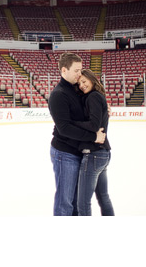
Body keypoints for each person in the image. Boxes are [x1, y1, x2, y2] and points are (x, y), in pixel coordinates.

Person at [48, 53, 103, 216]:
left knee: (76, 202)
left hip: (78, 152)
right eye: (77, 70)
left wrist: (103, 109)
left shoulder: (75, 89)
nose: (80, 74)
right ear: (64, 70)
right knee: (65, 202)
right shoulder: (58, 95)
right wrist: (93, 137)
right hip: (64, 153)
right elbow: (65, 128)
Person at [74, 69, 114, 216]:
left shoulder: (93, 97)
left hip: (93, 154)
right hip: (102, 154)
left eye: (84, 81)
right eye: (79, 83)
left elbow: (94, 125)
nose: (82, 85)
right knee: (103, 197)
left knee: (83, 202)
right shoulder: (95, 96)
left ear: (92, 79)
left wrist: (73, 123)